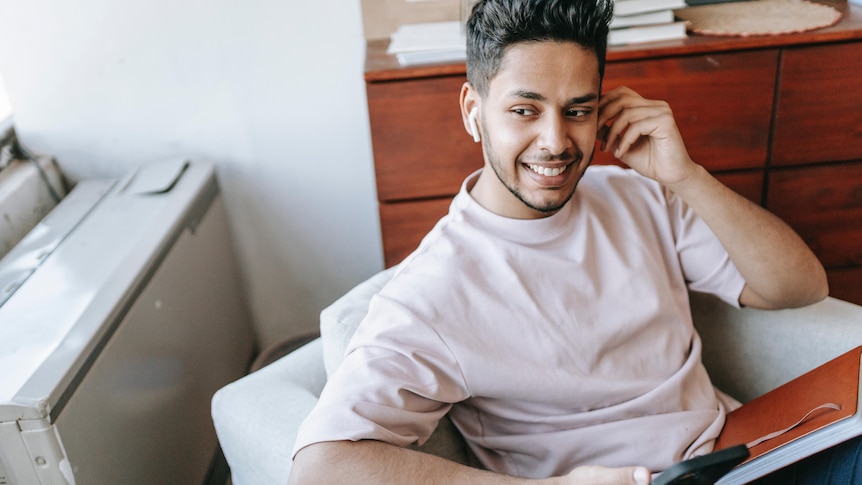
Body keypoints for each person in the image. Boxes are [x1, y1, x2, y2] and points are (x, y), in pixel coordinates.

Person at [289, 0, 831, 483]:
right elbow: (318, 468)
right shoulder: (433, 291)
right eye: (524, 110)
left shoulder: (638, 196)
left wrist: (686, 176)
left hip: (745, 456)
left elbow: (799, 286)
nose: (555, 142)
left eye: (577, 110)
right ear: (472, 112)